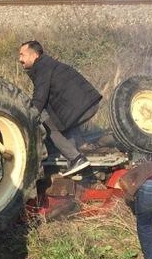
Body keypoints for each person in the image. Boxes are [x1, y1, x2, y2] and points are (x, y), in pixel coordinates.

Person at [18, 40, 103, 177]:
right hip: (87, 104)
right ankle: (80, 144)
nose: (20, 59)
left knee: (44, 119)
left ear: (34, 55)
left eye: (22, 55)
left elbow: (39, 99)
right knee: (55, 116)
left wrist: (26, 119)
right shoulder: (48, 64)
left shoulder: (42, 68)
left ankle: (76, 158)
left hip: (81, 107)